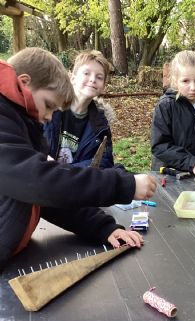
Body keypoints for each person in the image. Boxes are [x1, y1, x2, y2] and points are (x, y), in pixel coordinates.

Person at [0, 47, 157, 267]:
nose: (48, 116)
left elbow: (48, 197)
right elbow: (37, 182)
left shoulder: (24, 124)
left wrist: (103, 227)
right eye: (48, 105)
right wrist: (124, 185)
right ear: (25, 83)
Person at [44, 50, 118, 168]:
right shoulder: (48, 108)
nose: (93, 79)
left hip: (75, 179)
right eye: (86, 73)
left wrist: (67, 170)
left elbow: (105, 162)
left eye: (99, 77)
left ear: (103, 86)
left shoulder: (101, 124)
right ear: (72, 78)